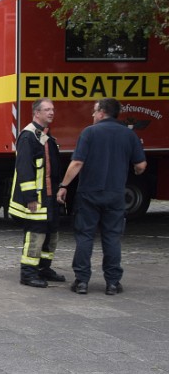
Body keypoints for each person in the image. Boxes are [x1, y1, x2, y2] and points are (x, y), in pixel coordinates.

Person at [57, 97, 147, 295]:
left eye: (94, 111)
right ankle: (113, 283)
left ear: (102, 112)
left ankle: (81, 281)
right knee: (112, 238)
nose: (92, 114)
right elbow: (141, 165)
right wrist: (133, 172)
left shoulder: (89, 132)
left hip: (89, 193)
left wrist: (64, 185)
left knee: (85, 236)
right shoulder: (128, 134)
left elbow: (77, 163)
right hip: (115, 194)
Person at [9, 98, 66, 288]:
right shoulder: (28, 137)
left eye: (53, 109)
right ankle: (28, 273)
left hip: (50, 196)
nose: (51, 112)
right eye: (47, 109)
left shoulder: (46, 136)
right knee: (36, 234)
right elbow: (24, 169)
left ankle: (44, 268)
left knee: (51, 233)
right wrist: (31, 198)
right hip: (38, 198)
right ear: (37, 113)